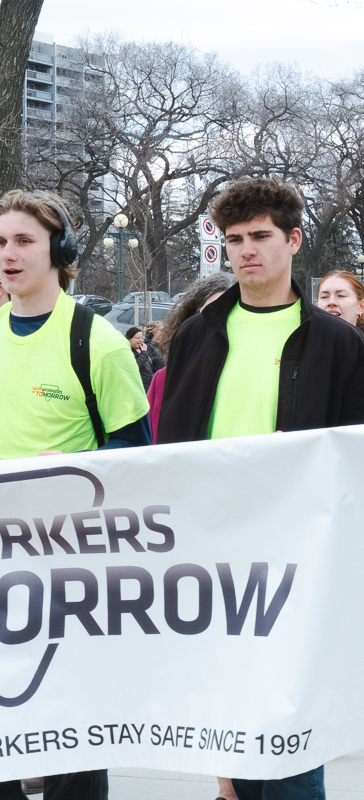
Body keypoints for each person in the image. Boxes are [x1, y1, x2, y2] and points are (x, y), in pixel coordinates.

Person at [157, 178, 364, 800]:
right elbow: (172, 442)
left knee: (290, 718)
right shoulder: (196, 336)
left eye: (261, 236)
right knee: (228, 705)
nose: (246, 251)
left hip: (298, 554)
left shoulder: (338, 342)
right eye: (235, 240)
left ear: (293, 241)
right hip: (210, 551)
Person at [0, 189, 152, 800]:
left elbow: (141, 460)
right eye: (1, 242)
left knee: (72, 736)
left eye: (24, 241)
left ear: (60, 252)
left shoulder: (99, 343)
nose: (8, 253)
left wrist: (70, 465)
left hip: (69, 569)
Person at [147, 272, 238, 441]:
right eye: (209, 316)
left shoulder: (260, 376)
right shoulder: (163, 380)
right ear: (189, 321)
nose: (219, 328)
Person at [317, 269, 364, 336]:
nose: (331, 302)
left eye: (341, 295)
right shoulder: (303, 343)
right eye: (324, 297)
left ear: (361, 306)